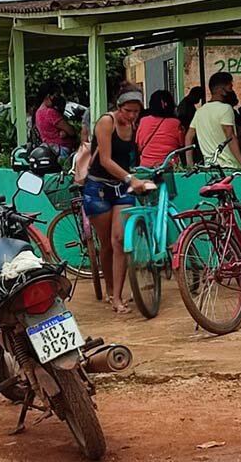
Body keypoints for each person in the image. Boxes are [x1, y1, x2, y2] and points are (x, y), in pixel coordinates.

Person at [83, 83, 153, 314]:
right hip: (99, 189)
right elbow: (105, 160)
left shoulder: (134, 125)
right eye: (128, 110)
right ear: (119, 106)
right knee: (107, 246)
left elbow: (129, 157)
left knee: (120, 240)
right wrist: (131, 179)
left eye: (136, 111)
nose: (132, 115)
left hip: (122, 189)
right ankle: (111, 289)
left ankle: (118, 299)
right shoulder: (106, 122)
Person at [185, 71, 241, 170]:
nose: (232, 91)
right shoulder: (226, 109)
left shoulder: (200, 111)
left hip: (209, 168)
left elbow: (189, 137)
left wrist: (190, 165)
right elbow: (230, 136)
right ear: (221, 89)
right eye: (230, 87)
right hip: (229, 166)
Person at [136, 90, 185, 168]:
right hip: (168, 166)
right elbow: (181, 144)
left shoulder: (143, 121)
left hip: (146, 167)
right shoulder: (176, 123)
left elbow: (139, 144)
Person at [34, 83, 76, 156]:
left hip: (49, 149)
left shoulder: (38, 113)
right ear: (48, 96)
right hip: (62, 149)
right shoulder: (50, 113)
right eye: (57, 95)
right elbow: (71, 131)